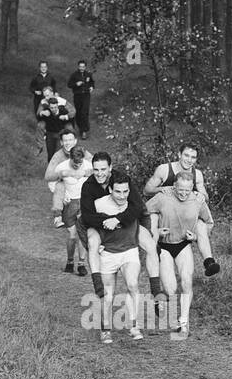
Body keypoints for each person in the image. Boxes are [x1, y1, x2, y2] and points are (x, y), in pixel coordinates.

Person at [80, 152, 164, 306]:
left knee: (151, 245)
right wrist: (107, 222)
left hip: (126, 222)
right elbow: (86, 217)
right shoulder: (88, 186)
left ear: (110, 167)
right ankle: (98, 285)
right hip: (101, 226)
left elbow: (138, 207)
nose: (99, 173)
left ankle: (156, 291)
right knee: (92, 243)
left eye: (103, 169)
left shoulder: (121, 180)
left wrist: (118, 220)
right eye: (96, 169)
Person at [143, 171, 214, 341]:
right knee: (171, 289)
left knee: (187, 281)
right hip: (164, 246)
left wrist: (196, 237)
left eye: (187, 190)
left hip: (183, 244)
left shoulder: (197, 200)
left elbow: (209, 223)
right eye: (180, 189)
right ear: (174, 186)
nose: (183, 193)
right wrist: (156, 231)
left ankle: (184, 323)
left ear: (192, 189)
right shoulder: (163, 197)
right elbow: (143, 215)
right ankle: (160, 301)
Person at [144, 143, 220, 275]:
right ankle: (154, 249)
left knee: (201, 224)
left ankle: (209, 262)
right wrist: (161, 188)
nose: (189, 160)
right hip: (163, 210)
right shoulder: (164, 169)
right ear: (179, 154)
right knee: (153, 216)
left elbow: (205, 196)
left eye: (193, 157)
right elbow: (147, 190)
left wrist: (200, 195)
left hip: (184, 211)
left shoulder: (197, 174)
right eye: (186, 155)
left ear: (196, 159)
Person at [91, 170, 144, 344]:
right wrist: (93, 243)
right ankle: (106, 329)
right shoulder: (99, 205)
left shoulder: (134, 203)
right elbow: (83, 224)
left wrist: (150, 239)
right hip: (108, 253)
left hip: (129, 250)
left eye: (125, 191)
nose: (122, 196)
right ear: (110, 190)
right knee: (108, 294)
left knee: (133, 284)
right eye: (118, 191)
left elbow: (146, 217)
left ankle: (134, 324)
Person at [47, 141, 93, 274]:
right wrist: (62, 194)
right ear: (70, 158)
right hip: (70, 204)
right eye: (75, 164)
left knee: (82, 234)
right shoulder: (62, 167)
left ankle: (82, 264)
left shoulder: (89, 166)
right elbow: (52, 182)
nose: (77, 166)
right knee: (72, 235)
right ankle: (70, 261)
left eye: (80, 163)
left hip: (85, 203)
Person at [44, 127, 80, 226]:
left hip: (79, 182)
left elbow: (94, 164)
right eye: (65, 140)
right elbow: (47, 176)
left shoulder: (82, 153)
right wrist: (62, 173)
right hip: (64, 184)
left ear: (75, 141)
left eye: (70, 140)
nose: (68, 143)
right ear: (61, 142)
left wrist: (83, 172)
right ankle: (57, 216)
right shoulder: (58, 156)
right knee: (59, 186)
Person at [36, 85, 75, 161]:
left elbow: (73, 111)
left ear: (52, 93)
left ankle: (72, 148)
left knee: (69, 129)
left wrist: (66, 116)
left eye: (48, 95)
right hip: (50, 123)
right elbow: (38, 113)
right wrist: (42, 112)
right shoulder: (43, 102)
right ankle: (39, 146)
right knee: (40, 125)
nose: (46, 98)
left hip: (63, 120)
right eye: (45, 96)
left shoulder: (62, 101)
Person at [67, 60, 96, 139]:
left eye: (83, 67)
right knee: (79, 113)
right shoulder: (74, 75)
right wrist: (76, 84)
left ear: (85, 67)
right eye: (80, 66)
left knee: (84, 112)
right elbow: (69, 84)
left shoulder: (88, 74)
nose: (81, 68)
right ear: (78, 66)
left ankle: (84, 131)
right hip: (77, 95)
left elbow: (92, 82)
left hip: (86, 95)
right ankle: (80, 127)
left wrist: (91, 87)